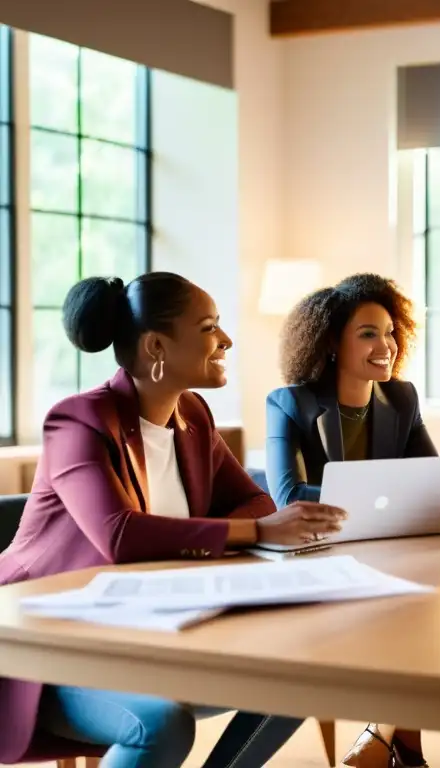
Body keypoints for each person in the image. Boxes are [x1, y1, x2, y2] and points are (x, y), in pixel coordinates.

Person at [0, 273, 346, 768]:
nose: (225, 340)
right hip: (48, 644)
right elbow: (119, 534)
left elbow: (256, 501)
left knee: (306, 677)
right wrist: (255, 533)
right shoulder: (78, 422)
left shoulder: (193, 416)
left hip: (148, 631)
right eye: (209, 328)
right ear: (156, 345)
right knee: (161, 725)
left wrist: (253, 525)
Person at [265, 272, 436, 768]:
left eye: (389, 332)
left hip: (384, 552)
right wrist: (385, 496)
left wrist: (385, 498)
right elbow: (289, 496)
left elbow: (429, 481)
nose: (385, 345)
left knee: (428, 601)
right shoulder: (290, 403)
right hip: (314, 556)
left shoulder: (401, 398)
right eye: (368, 333)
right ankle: (392, 742)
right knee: (403, 608)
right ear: (332, 344)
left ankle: (392, 741)